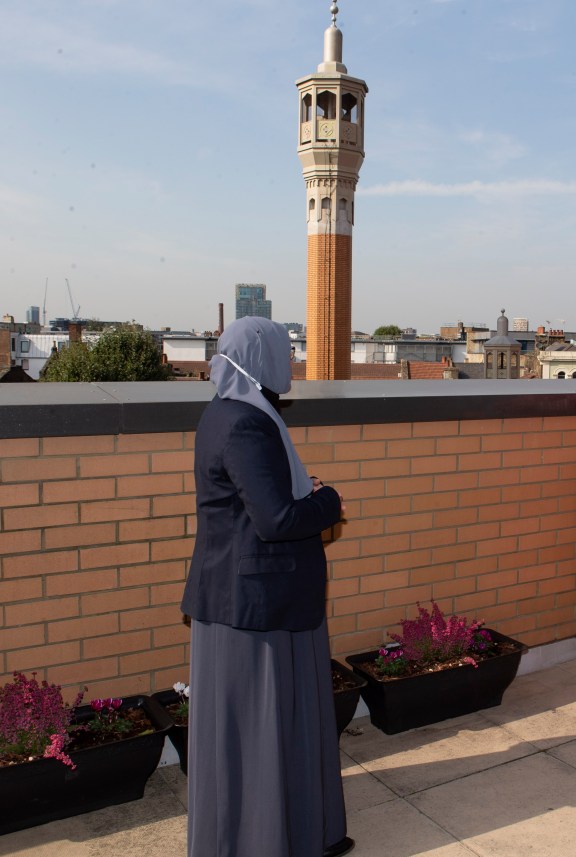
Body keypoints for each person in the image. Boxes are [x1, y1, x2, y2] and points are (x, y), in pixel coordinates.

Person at [181, 317, 354, 857]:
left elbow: (259, 500)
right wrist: (327, 502)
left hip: (249, 596)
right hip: (253, 607)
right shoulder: (247, 423)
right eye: (284, 352)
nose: (290, 363)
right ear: (260, 359)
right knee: (261, 733)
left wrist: (305, 494)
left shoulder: (227, 411)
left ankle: (299, 833)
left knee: (274, 728)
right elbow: (277, 520)